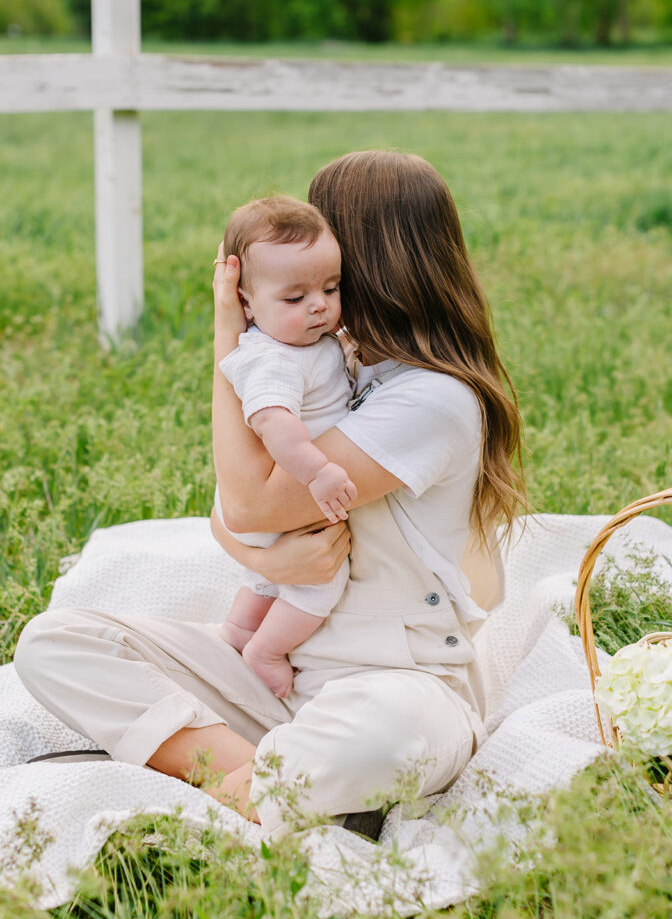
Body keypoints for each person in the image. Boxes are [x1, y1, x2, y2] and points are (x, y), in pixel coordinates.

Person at [14, 150, 525, 838]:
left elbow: (252, 504)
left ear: (363, 259)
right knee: (55, 642)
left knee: (385, 734)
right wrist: (261, 559)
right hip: (280, 680)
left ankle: (232, 792)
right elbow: (237, 512)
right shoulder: (326, 364)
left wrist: (234, 346)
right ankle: (254, 778)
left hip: (392, 682)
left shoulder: (431, 398)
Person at [214, 195, 357, 698]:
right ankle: (267, 650)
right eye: (295, 299)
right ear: (247, 304)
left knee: (271, 579)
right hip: (282, 493)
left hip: (268, 503)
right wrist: (318, 471)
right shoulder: (269, 359)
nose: (318, 304)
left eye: (330, 288)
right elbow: (276, 425)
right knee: (320, 582)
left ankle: (237, 631)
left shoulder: (305, 342)